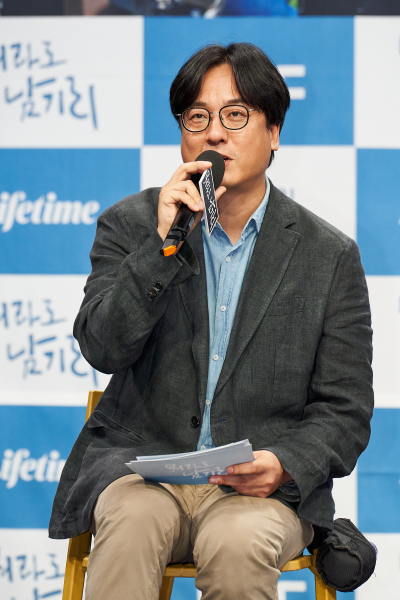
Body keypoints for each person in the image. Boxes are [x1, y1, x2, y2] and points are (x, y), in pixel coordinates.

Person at [49, 43, 373, 600]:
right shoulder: (133, 225)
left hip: (260, 493)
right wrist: (162, 246)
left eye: (235, 115)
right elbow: (102, 347)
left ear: (274, 132)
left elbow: (345, 408)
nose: (214, 134)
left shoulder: (328, 256)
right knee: (130, 525)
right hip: (143, 474)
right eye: (197, 117)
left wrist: (283, 464)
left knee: (238, 541)